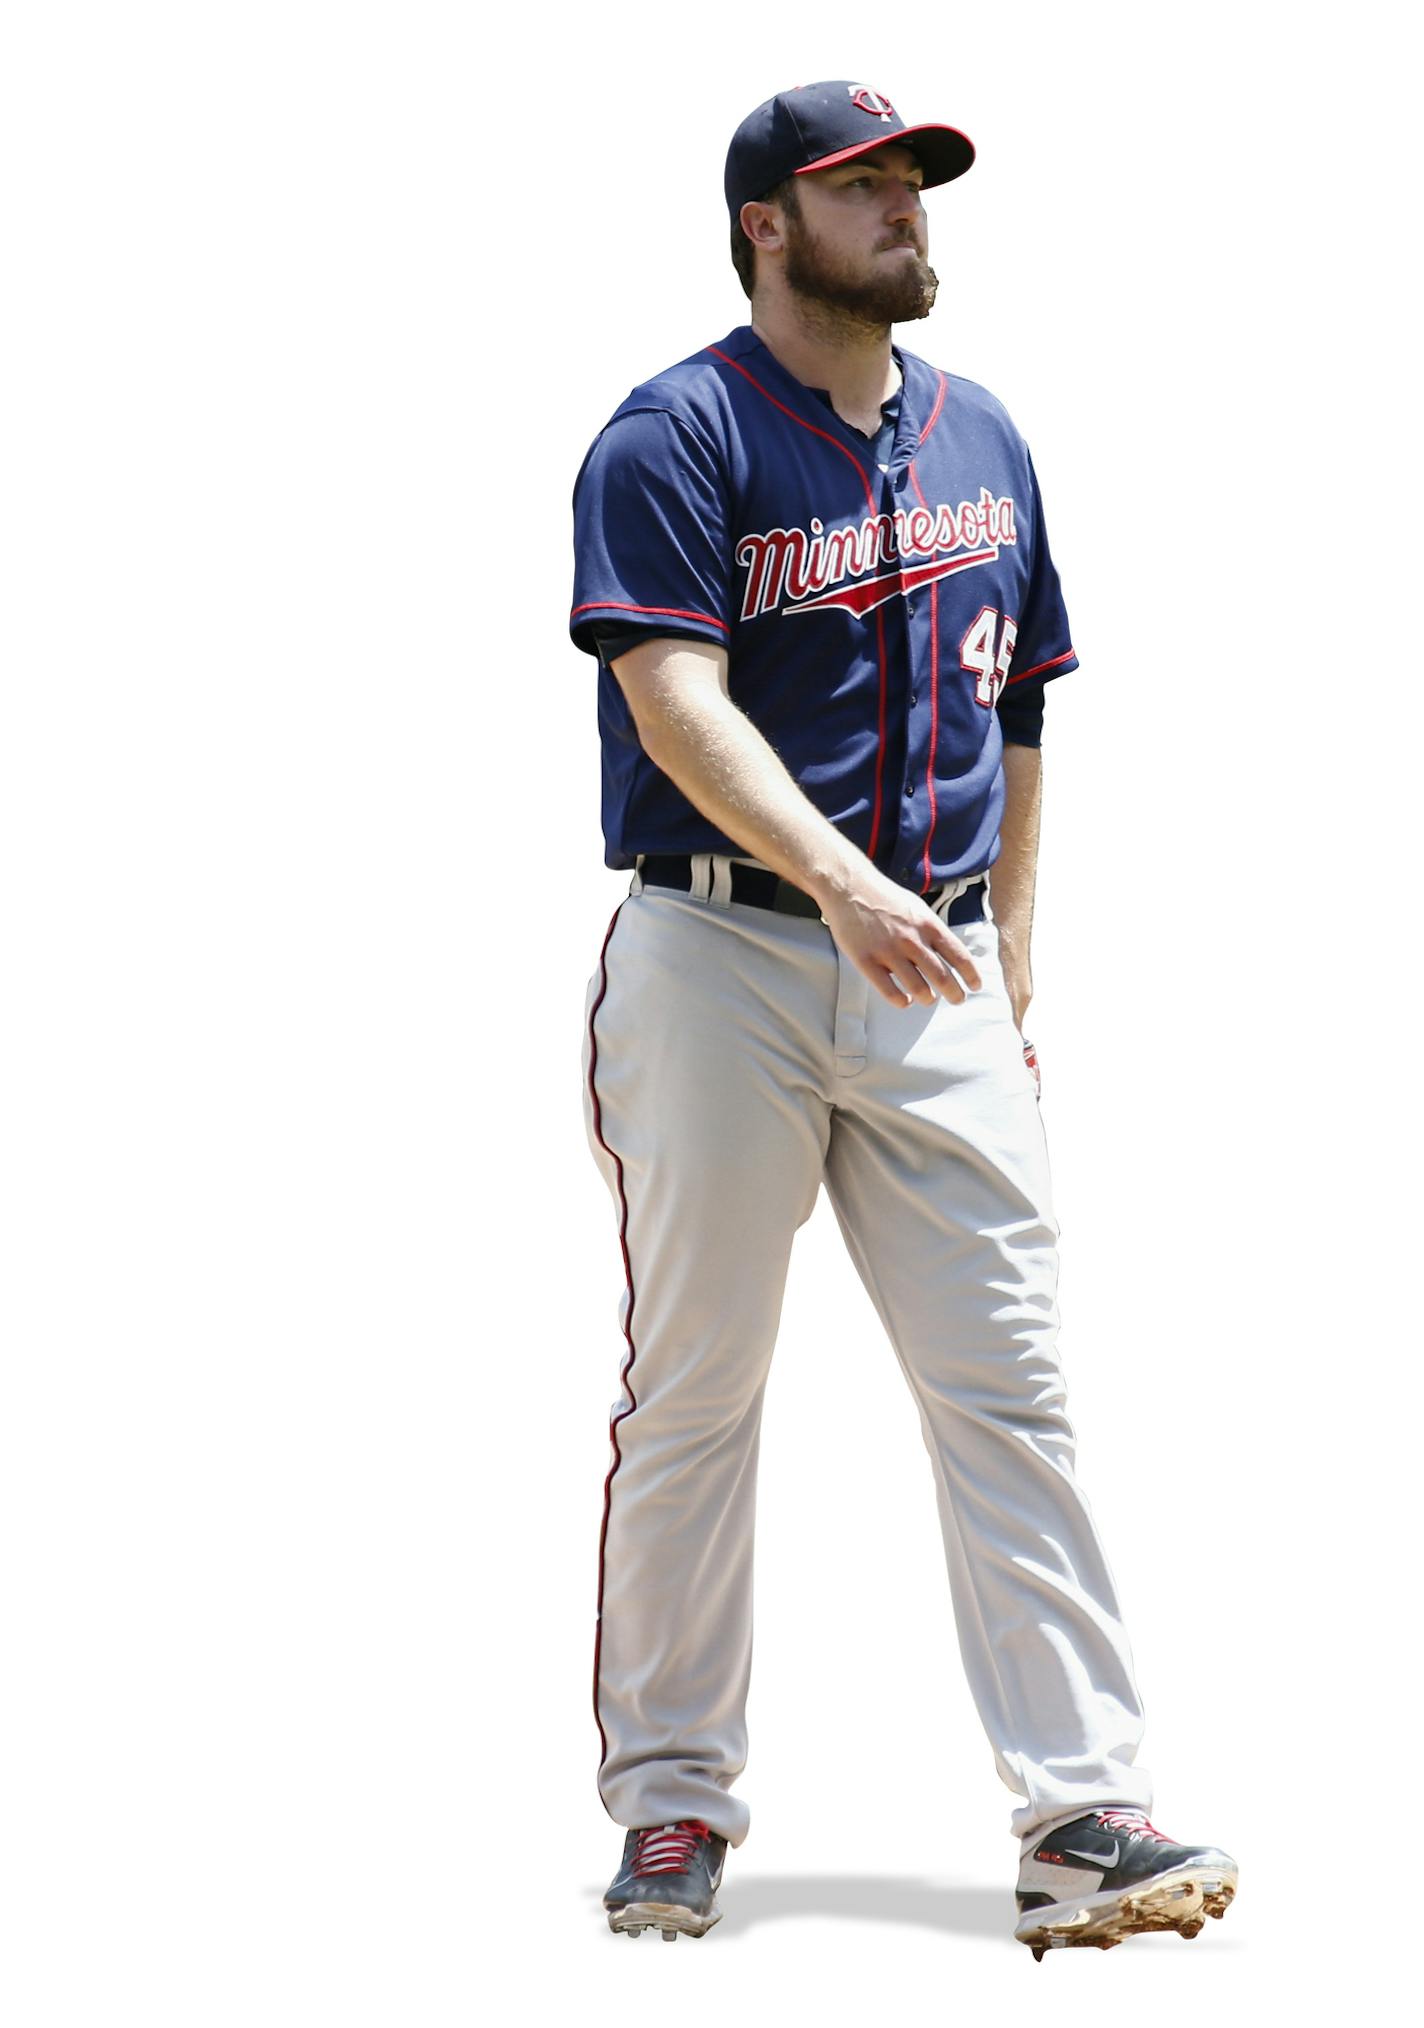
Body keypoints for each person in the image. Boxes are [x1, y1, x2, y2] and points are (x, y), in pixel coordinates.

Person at [569, 80, 1238, 1957]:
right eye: (860, 183)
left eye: (913, 179)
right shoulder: (674, 434)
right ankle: (676, 1805)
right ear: (768, 223)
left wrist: (1011, 937)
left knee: (1009, 1380)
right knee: (699, 1390)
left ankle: (1083, 1807)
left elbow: (1024, 700)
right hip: (725, 959)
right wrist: (851, 888)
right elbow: (670, 699)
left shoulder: (985, 434)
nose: (904, 206)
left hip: (932, 970)